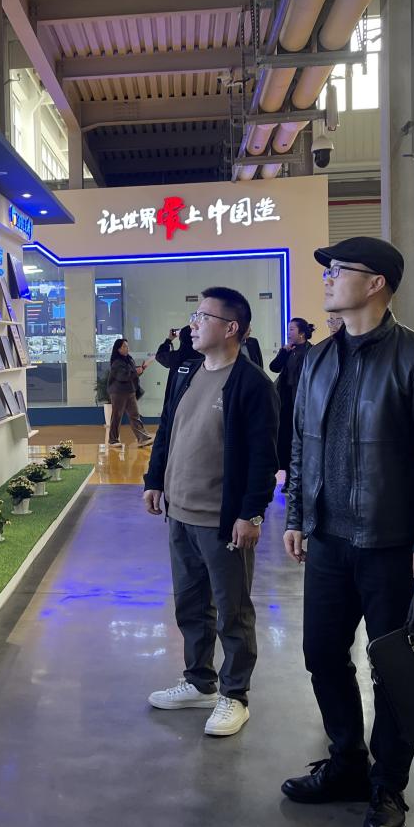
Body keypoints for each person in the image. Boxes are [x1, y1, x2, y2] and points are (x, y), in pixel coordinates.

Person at [280, 236, 414, 827]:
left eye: (339, 270)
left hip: (393, 545)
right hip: (328, 541)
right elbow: (301, 444)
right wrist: (297, 516)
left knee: (396, 671)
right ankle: (347, 762)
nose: (327, 278)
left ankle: (388, 785)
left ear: (376, 282)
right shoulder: (317, 358)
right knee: (322, 655)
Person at [142, 287, 280, 737]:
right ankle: (199, 681)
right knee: (190, 605)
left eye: (204, 316)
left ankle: (234, 695)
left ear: (231, 328)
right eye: (195, 315)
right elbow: (168, 430)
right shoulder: (186, 372)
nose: (194, 324)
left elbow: (263, 457)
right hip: (180, 514)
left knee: (232, 612)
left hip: (223, 522)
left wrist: (251, 514)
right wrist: (154, 480)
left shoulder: (252, 384)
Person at [270, 317, 316, 476]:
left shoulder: (312, 351)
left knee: (300, 439)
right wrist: (283, 352)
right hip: (286, 402)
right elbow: (274, 367)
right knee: (285, 439)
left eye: (291, 329)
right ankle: (289, 476)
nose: (288, 333)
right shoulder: (288, 350)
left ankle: (300, 476)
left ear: (301, 333)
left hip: (302, 402)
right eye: (288, 329)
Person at [106, 338, 153, 448]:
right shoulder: (116, 362)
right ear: (118, 349)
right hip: (118, 392)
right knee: (117, 416)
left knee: (135, 415)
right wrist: (136, 371)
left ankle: (142, 438)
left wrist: (141, 369)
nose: (127, 348)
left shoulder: (129, 359)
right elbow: (123, 376)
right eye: (124, 346)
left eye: (127, 346)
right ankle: (113, 440)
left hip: (130, 391)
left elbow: (132, 374)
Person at [155, 325, 203, 415]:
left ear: (182, 339)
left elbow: (159, 355)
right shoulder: (204, 358)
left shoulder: (176, 357)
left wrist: (169, 340)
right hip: (197, 403)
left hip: (176, 401)